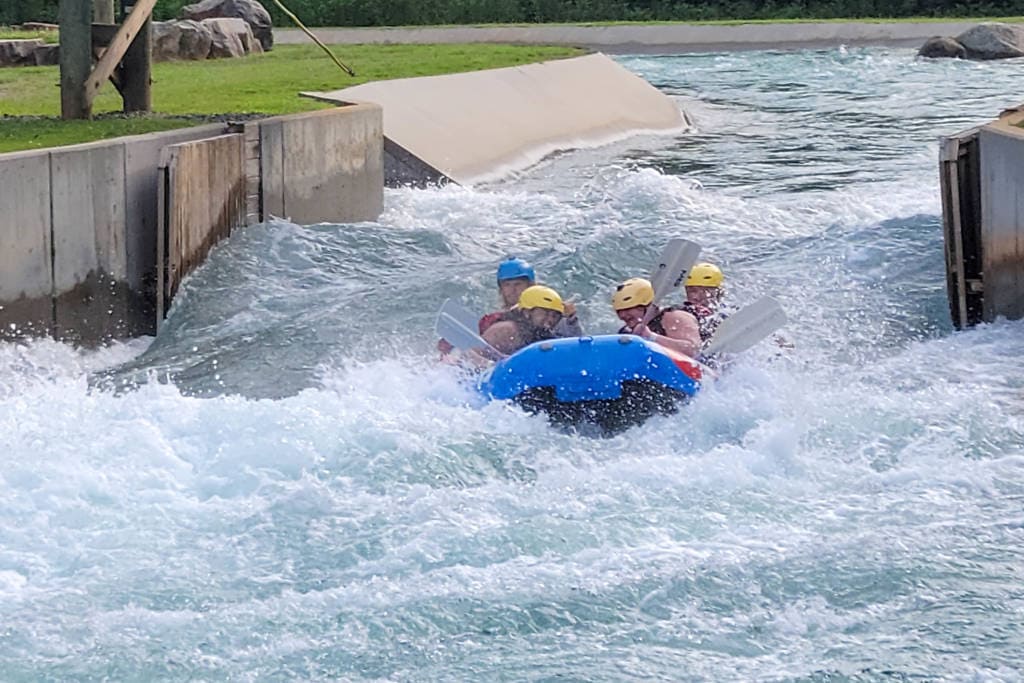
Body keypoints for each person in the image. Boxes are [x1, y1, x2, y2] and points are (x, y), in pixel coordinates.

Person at [479, 257, 582, 337]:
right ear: (501, 289)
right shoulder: (498, 321)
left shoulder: (552, 313)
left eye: (518, 284)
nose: (513, 290)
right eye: (507, 285)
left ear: (531, 286)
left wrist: (571, 319)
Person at [612, 277, 702, 358]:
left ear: (646, 306)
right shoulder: (626, 332)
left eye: (627, 309)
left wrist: (652, 337)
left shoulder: (673, 317)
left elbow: (693, 351)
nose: (622, 315)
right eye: (619, 311)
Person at [481, 285, 566, 355]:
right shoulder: (506, 330)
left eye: (555, 316)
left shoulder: (546, 334)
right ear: (527, 313)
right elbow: (472, 353)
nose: (550, 319)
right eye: (545, 313)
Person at [681, 262, 725, 344]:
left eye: (705, 291)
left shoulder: (728, 312)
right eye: (691, 291)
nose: (695, 297)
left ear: (718, 292)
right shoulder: (680, 313)